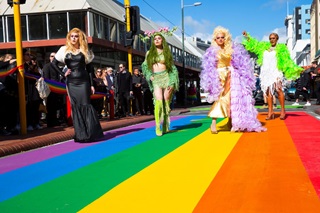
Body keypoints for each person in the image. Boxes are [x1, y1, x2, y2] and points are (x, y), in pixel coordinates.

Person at [200, 26, 265, 133]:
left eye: (222, 37)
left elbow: (240, 63)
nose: (220, 39)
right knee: (221, 98)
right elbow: (209, 67)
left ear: (226, 38)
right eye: (218, 38)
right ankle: (213, 123)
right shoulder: (212, 51)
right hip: (219, 77)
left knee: (232, 99)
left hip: (231, 76)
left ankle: (230, 122)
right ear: (215, 40)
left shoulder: (232, 49)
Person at [50, 27, 103, 143]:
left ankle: (91, 133)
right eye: (71, 36)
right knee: (76, 107)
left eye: (76, 36)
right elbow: (53, 63)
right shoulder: (64, 50)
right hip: (71, 82)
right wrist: (63, 74)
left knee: (86, 105)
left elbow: (90, 69)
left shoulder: (85, 50)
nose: (73, 38)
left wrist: (92, 84)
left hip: (84, 81)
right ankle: (80, 134)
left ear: (80, 38)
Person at [242, 31, 302, 120]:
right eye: (270, 38)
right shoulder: (264, 48)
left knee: (278, 90)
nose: (271, 40)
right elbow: (254, 44)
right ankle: (270, 112)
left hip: (276, 71)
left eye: (273, 38)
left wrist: (295, 69)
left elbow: (287, 61)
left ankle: (282, 110)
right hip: (266, 72)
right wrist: (247, 37)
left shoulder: (281, 49)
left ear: (277, 39)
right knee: (268, 92)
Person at [141, 27, 179, 136]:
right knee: (158, 101)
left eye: (159, 38)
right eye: (155, 39)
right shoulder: (149, 53)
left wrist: (172, 82)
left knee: (166, 102)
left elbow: (172, 68)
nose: (157, 40)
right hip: (156, 79)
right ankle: (158, 125)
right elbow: (145, 67)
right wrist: (149, 75)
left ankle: (166, 125)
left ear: (162, 40)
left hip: (167, 78)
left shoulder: (167, 53)